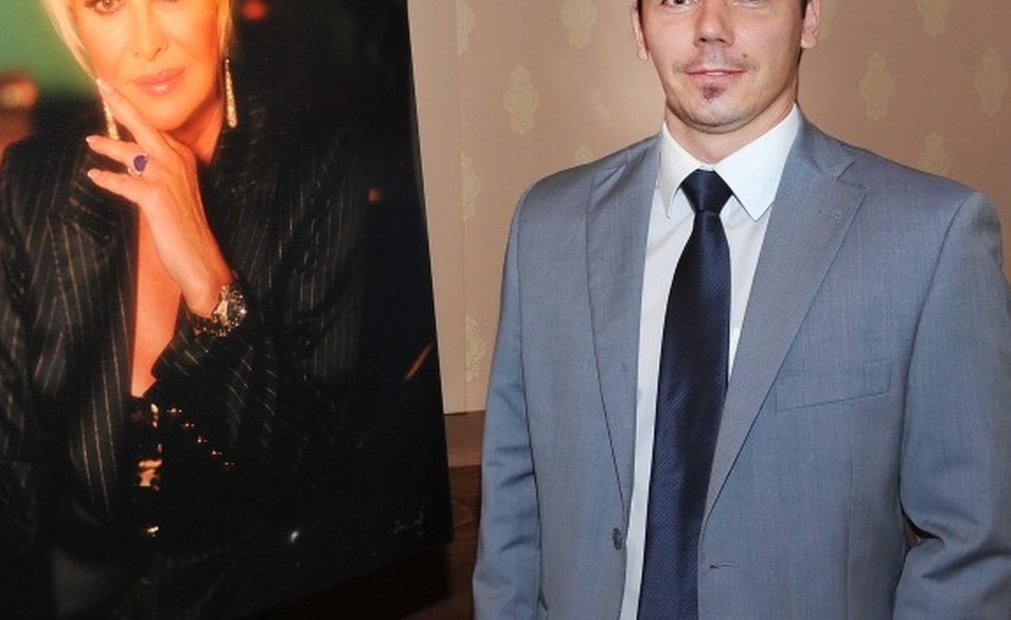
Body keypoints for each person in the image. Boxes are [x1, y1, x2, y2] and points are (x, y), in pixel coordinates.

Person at [473, 0, 1011, 618]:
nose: (710, 26)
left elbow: (971, 546)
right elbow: (512, 507)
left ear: (810, 20)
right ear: (639, 28)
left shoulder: (932, 237)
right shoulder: (547, 225)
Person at [0, 0, 363, 617]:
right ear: (76, 25)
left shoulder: (317, 167)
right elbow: (12, 474)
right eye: (106, 4)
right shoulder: (30, 183)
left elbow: (310, 477)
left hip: (245, 586)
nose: (147, 43)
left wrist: (210, 283)